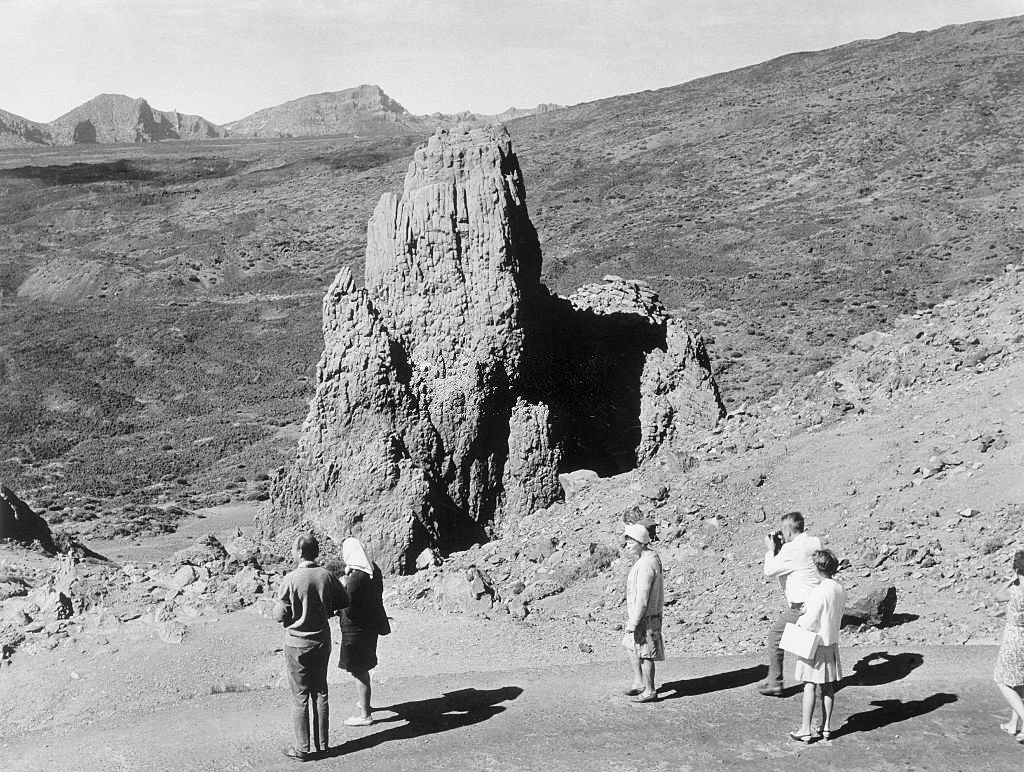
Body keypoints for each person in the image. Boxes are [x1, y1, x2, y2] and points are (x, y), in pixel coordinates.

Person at [273, 533, 349, 762]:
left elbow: (279, 615)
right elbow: (344, 601)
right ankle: (323, 745)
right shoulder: (326, 575)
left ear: (298, 552)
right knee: (320, 692)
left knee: (300, 696)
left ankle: (302, 749)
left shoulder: (291, 578)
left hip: (297, 643)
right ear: (316, 552)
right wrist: (327, 609)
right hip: (321, 640)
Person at [758, 511, 822, 696]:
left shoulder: (792, 550)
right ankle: (817, 683)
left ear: (787, 530)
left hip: (801, 606)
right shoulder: (814, 542)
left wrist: (771, 550)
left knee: (775, 637)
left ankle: (775, 682)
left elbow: (770, 570)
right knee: (807, 644)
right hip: (817, 602)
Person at [790, 549, 846, 743]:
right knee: (828, 686)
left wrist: (800, 620)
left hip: (815, 644)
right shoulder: (839, 588)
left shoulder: (818, 591)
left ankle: (805, 729)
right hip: (831, 642)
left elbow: (810, 621)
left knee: (809, 685)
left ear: (817, 568)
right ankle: (826, 727)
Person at [338, 537, 389, 727]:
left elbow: (348, 606)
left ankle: (365, 715)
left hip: (356, 630)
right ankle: (365, 701)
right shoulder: (373, 570)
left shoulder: (356, 578)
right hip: (370, 627)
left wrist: (342, 590)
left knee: (359, 670)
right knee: (363, 668)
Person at [622, 521, 665, 703]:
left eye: (631, 542)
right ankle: (639, 682)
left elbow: (642, 597)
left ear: (641, 542)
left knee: (646, 654)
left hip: (645, 617)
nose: (628, 546)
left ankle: (649, 690)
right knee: (631, 646)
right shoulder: (647, 559)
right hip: (644, 615)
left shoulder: (646, 564)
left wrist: (634, 621)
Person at [993, 549, 1024, 744]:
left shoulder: (1016, 590)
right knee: (1020, 682)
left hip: (1014, 638)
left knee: (1002, 680)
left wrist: (1011, 579)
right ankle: (1014, 725)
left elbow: (997, 595)